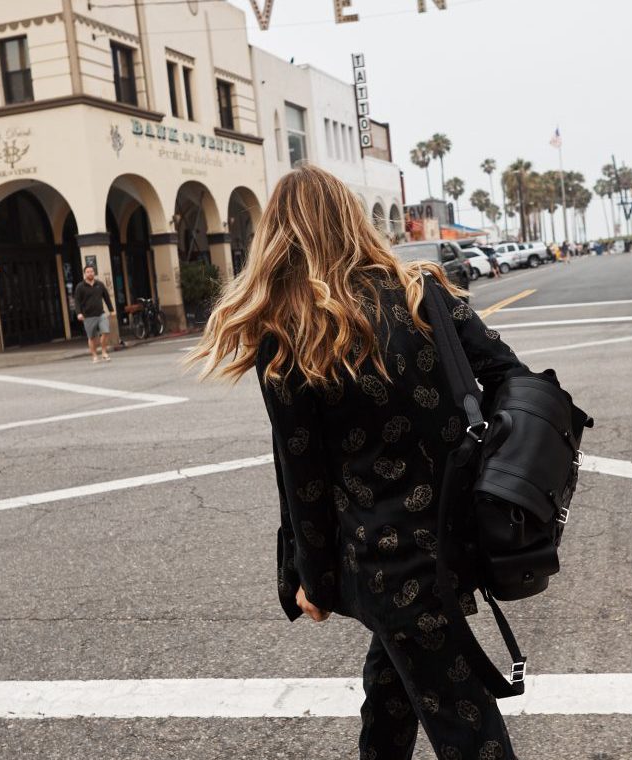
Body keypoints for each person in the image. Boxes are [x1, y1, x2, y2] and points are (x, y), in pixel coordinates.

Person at [190, 165, 524, 760]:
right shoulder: (426, 292)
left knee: (466, 725)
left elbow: (303, 477)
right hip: (458, 534)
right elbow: (512, 381)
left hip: (386, 562)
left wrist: (310, 579)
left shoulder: (291, 334)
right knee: (391, 693)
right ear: (351, 220)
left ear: (280, 237)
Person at [74, 265, 115, 363]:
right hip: (88, 316)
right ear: (85, 274)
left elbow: (106, 297)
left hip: (101, 314)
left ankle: (104, 353)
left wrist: (111, 310)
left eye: (91, 271)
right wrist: (79, 313)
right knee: (92, 337)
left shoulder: (99, 284)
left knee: (105, 332)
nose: (90, 273)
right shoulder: (80, 286)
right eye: (88, 272)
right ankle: (95, 356)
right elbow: (77, 301)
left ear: (94, 272)